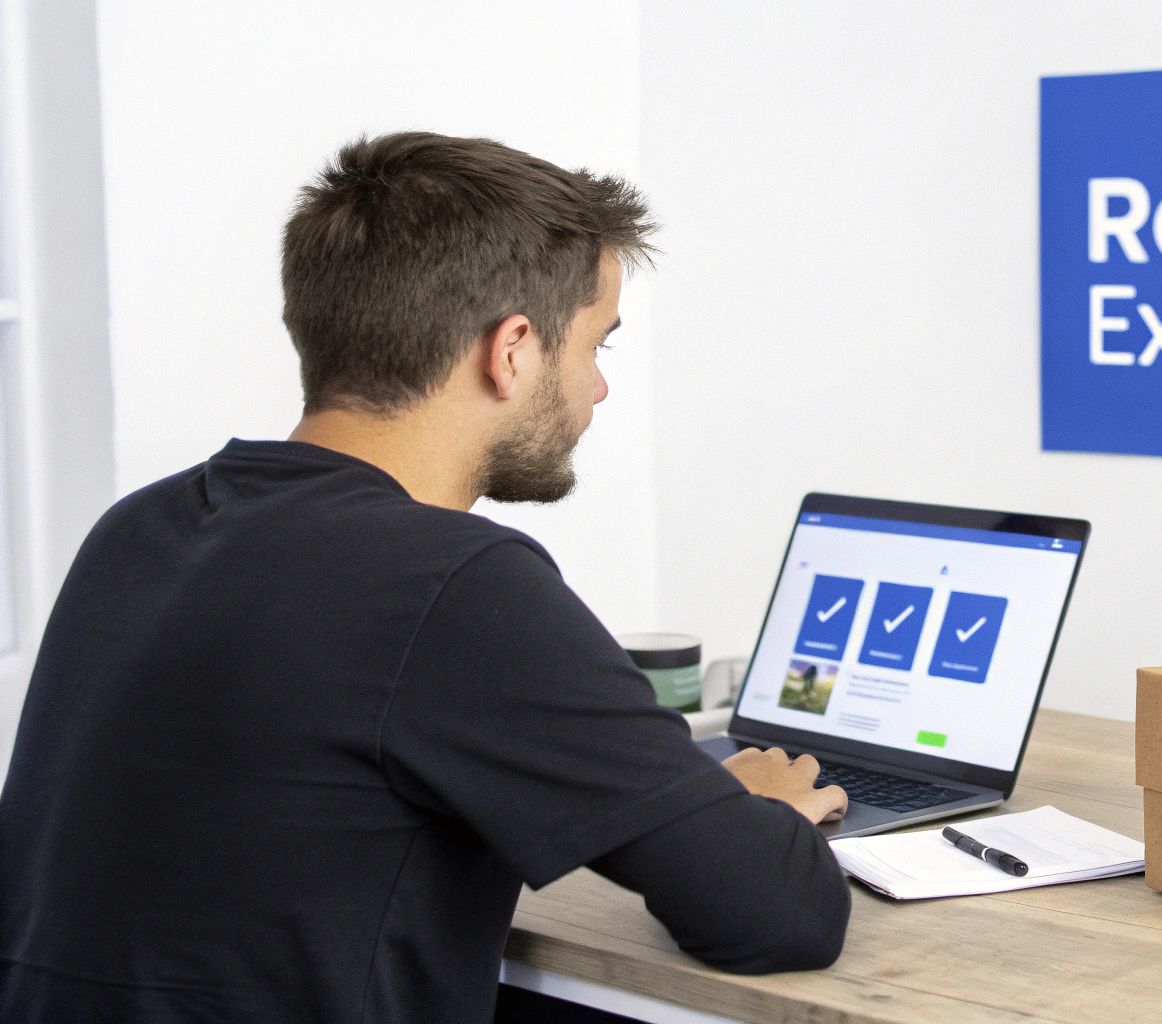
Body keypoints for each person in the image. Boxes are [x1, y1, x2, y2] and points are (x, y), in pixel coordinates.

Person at [0, 131, 851, 1024]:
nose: (598, 389)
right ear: (512, 349)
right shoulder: (454, 585)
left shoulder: (141, 528)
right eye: (596, 345)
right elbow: (776, 916)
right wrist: (761, 815)